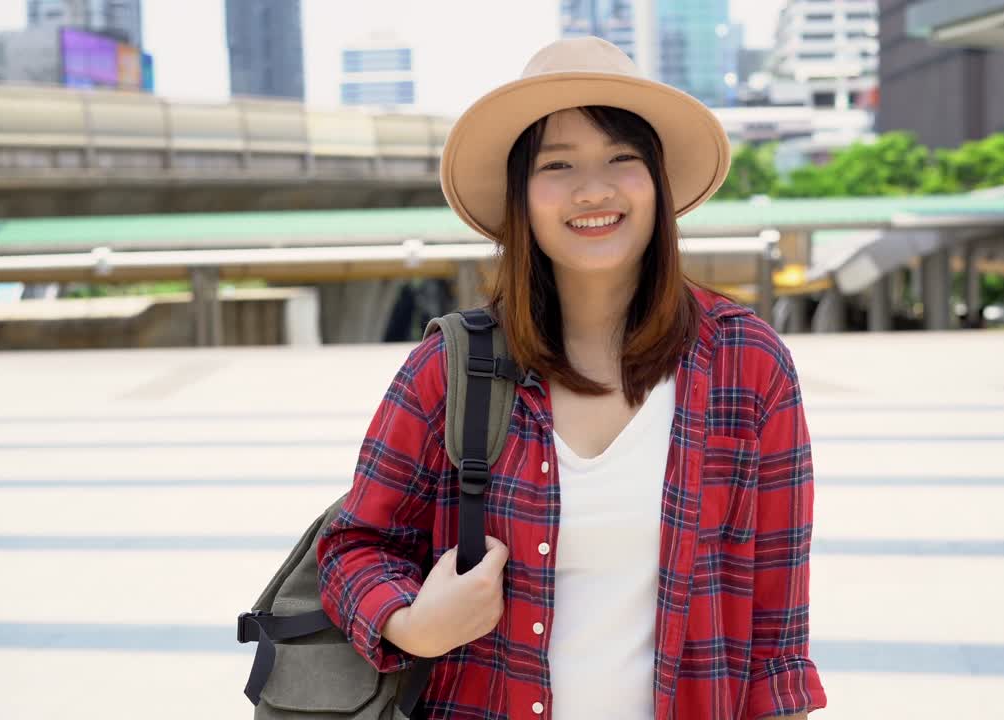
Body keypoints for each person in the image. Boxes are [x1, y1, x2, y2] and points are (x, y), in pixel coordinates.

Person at [318, 36, 827, 720]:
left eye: (623, 158)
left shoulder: (747, 364)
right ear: (521, 195)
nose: (594, 190)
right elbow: (353, 547)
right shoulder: (452, 367)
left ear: (659, 180)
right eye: (558, 164)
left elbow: (777, 637)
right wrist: (412, 624)